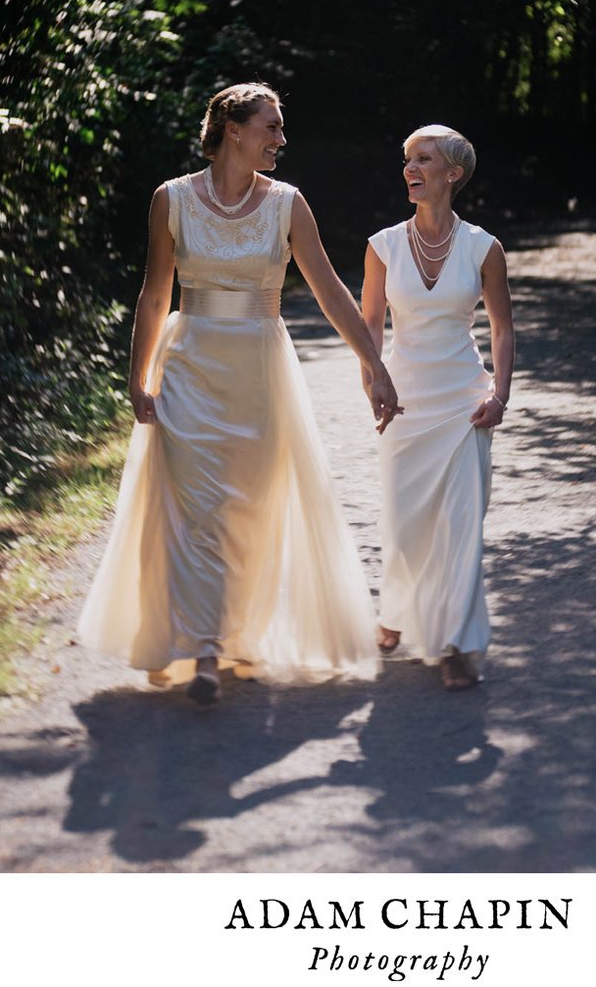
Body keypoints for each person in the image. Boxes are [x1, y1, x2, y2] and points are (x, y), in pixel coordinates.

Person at [77, 83, 399, 704]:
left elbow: (330, 290)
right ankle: (201, 651)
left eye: (280, 128)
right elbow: (154, 292)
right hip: (190, 366)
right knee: (199, 510)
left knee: (246, 513)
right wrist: (136, 376)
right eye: (271, 127)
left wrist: (374, 366)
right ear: (233, 128)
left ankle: (235, 635)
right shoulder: (170, 200)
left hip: (260, 371)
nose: (281, 139)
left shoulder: (288, 204)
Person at [359, 124, 514, 691]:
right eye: (406, 160)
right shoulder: (382, 245)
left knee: (460, 527)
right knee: (404, 525)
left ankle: (454, 644)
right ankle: (395, 610)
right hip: (405, 402)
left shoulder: (484, 247)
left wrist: (499, 394)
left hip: (465, 403)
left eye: (423, 159)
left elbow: (502, 329)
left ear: (453, 173)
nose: (410, 169)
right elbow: (370, 324)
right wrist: (373, 381)